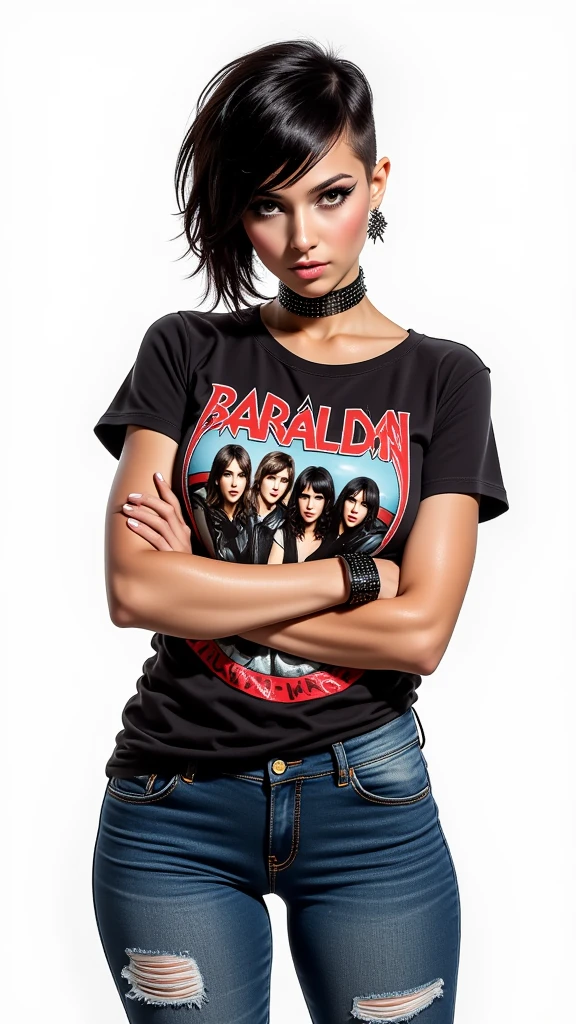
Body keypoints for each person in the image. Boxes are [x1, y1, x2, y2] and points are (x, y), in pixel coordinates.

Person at [91, 38, 509, 1024]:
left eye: (329, 194)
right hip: (173, 804)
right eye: (267, 206)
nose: (302, 236)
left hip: (369, 807)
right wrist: (354, 579)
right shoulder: (187, 351)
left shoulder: (447, 380)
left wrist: (208, 576)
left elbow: (421, 635)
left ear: (377, 180)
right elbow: (135, 590)